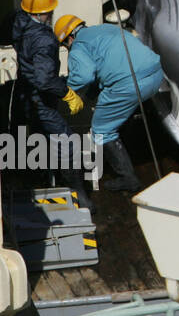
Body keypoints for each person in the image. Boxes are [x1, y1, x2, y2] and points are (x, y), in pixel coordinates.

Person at [55, 15, 164, 194]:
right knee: (118, 113)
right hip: (156, 74)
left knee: (102, 130)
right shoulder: (105, 28)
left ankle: (128, 179)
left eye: (65, 45)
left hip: (129, 84)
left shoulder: (78, 47)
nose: (67, 48)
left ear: (69, 38)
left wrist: (66, 91)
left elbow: (84, 76)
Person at [2, 0, 88, 206]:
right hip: (40, 97)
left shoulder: (16, 20)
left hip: (23, 91)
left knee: (31, 134)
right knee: (67, 141)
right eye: (50, 11)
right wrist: (67, 93)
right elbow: (44, 79)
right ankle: (78, 193)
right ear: (43, 13)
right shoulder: (45, 41)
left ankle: (35, 178)